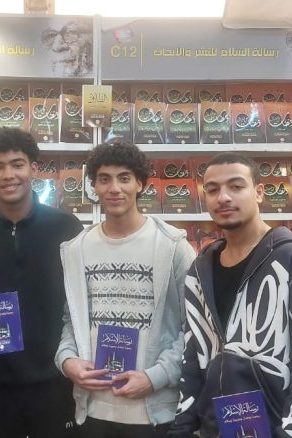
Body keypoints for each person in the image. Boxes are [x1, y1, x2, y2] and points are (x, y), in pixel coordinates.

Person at [169, 152, 292, 438]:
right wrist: (182, 427)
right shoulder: (201, 269)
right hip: (219, 428)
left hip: (278, 429)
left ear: (259, 193)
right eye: (212, 189)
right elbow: (193, 355)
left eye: (236, 186)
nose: (223, 197)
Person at [0, 128, 84, 438]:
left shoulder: (67, 228)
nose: (8, 175)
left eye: (17, 164)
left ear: (33, 169)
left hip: (56, 381)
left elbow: (84, 296)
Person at [56, 141, 195, 438]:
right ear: (94, 186)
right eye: (104, 179)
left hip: (155, 413)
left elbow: (195, 329)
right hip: (93, 411)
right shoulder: (75, 250)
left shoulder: (172, 246)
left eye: (124, 178)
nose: (114, 188)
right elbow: (71, 321)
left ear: (140, 184)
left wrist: (155, 377)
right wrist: (67, 360)